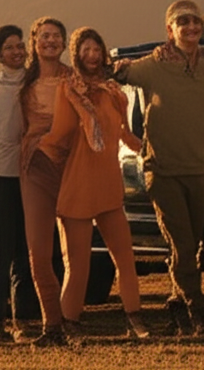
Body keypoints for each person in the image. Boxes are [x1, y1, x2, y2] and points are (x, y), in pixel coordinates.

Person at [114, 0, 204, 335]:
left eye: (195, 22)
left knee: (191, 246)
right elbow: (115, 75)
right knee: (181, 245)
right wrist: (123, 130)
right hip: (162, 171)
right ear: (170, 30)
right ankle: (198, 314)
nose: (190, 27)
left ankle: (177, 302)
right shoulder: (152, 65)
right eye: (182, 22)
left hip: (200, 171)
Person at [38, 27, 150, 341]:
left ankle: (135, 319)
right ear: (77, 55)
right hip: (77, 186)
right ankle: (67, 325)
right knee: (78, 264)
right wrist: (33, 154)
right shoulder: (69, 89)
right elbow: (59, 134)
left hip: (109, 187)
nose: (91, 55)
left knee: (125, 258)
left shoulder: (114, 91)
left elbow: (124, 136)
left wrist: (150, 147)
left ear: (102, 52)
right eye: (85, 50)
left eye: (95, 49)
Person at [0, 24, 38, 346]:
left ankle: (25, 321)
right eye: (10, 48)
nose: (17, 52)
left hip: (32, 176)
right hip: (0, 174)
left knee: (27, 249)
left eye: (20, 46)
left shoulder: (36, 81)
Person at [18, 16, 73, 347]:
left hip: (72, 166)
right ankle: (52, 325)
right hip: (35, 166)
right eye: (45, 36)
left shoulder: (75, 78)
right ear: (34, 42)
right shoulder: (21, 83)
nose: (51, 41)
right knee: (39, 251)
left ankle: (71, 321)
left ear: (65, 43)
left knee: (74, 252)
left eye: (57, 36)